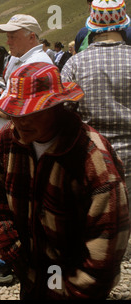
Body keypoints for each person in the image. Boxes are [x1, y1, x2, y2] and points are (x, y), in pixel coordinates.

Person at [0, 62, 130, 299]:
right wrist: (15, 254)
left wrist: (75, 290)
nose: (21, 121)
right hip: (30, 269)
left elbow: (107, 241)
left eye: (32, 112)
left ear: (57, 107)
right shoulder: (6, 140)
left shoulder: (92, 157)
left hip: (74, 279)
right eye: (16, 112)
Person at [0, 14, 53, 285]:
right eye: (7, 34)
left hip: (27, 144)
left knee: (15, 201)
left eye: (14, 34)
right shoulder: (17, 60)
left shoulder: (39, 64)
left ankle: (8, 263)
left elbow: (36, 109)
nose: (7, 39)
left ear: (32, 36)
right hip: (15, 139)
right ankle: (9, 260)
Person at [61, 0, 131, 214]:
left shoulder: (75, 64)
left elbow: (62, 112)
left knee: (95, 224)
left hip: (92, 158)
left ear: (91, 26)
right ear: (123, 25)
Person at [0, 14, 53, 132]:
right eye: (8, 37)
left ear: (31, 38)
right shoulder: (19, 58)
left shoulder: (38, 64)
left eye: (13, 37)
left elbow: (28, 109)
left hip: (26, 137)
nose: (8, 42)